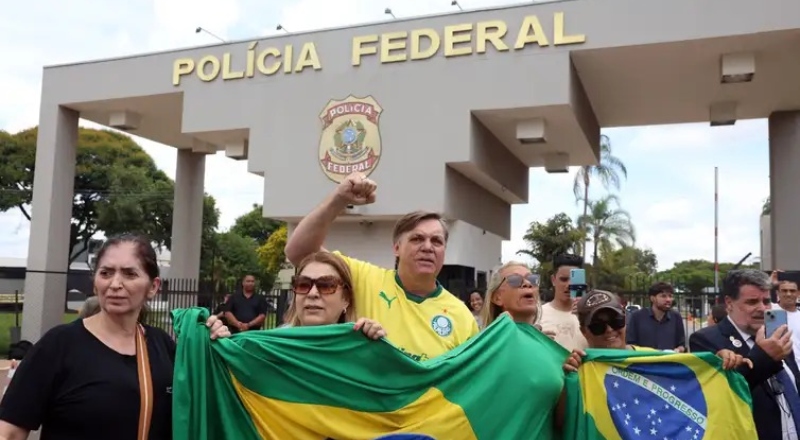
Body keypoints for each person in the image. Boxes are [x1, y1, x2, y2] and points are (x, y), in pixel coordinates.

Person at [0, 233, 230, 440]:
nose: (115, 284)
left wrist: (216, 345)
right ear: (95, 282)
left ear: (153, 286)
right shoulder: (59, 345)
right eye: (106, 273)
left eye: (130, 274)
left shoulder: (163, 346)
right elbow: (8, 433)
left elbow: (207, 406)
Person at [284, 171, 478, 361]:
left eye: (436, 241)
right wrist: (339, 199)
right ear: (397, 248)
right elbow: (299, 252)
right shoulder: (364, 278)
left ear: (444, 250)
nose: (427, 247)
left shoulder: (461, 316)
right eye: (417, 239)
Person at [689, 269, 796, 440]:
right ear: (729, 303)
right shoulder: (706, 340)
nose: (762, 308)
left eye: (766, 301)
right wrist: (764, 356)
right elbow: (723, 394)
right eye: (752, 302)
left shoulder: (776, 334)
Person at [479, 261, 571, 436]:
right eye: (515, 280)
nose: (527, 284)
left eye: (533, 279)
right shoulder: (484, 347)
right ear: (497, 298)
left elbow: (560, 421)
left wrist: (569, 380)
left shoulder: (549, 351)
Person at [563, 290, 748, 371]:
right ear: (584, 331)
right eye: (598, 325)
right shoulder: (577, 368)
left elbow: (692, 371)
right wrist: (566, 381)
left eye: (616, 320)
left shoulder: (653, 359)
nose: (609, 329)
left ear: (625, 319)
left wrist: (718, 361)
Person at [282, 251, 386, 339]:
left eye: (326, 285)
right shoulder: (276, 344)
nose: (312, 293)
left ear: (346, 298)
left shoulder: (363, 345)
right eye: (303, 285)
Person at [539, 254, 588, 351]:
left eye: (574, 280)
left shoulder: (591, 315)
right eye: (564, 279)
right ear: (553, 280)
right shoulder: (538, 315)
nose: (569, 285)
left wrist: (585, 317)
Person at [626, 282, 686, 351]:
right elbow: (629, 344)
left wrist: (678, 350)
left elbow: (682, 345)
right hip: (644, 357)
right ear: (652, 298)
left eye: (670, 296)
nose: (668, 300)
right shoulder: (637, 316)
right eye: (663, 296)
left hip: (669, 357)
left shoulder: (676, 317)